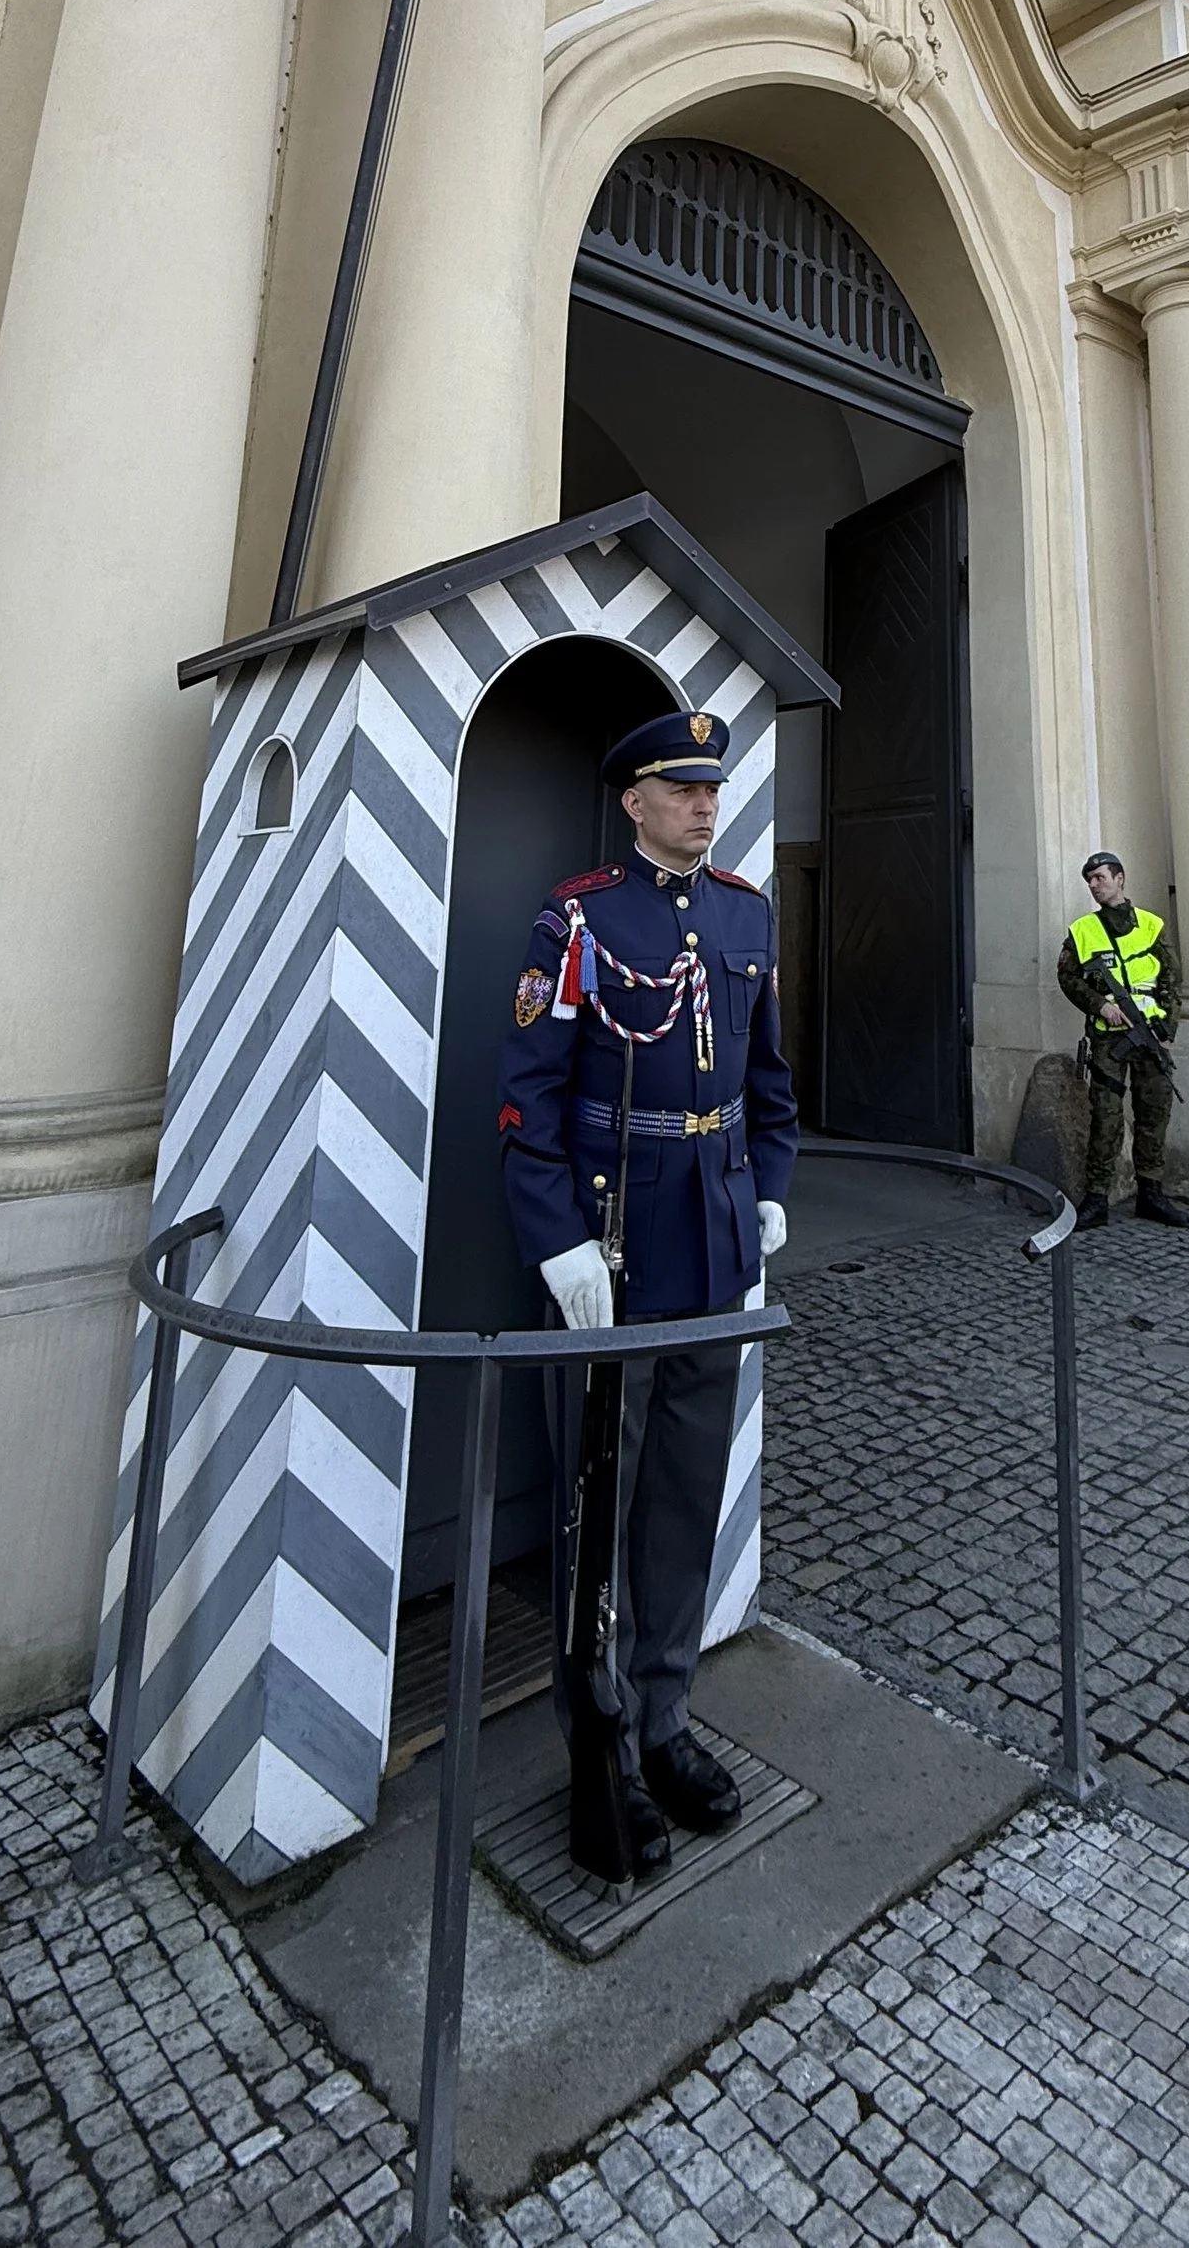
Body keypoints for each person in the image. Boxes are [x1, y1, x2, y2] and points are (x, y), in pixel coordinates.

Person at [496, 707, 797, 1876]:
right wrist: (556, 1238)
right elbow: (527, 1093)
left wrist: (766, 1184)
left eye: (710, 789)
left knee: (683, 1487)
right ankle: (599, 1732)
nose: (703, 806)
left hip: (714, 1232)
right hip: (610, 1245)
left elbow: (768, 1079)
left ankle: (667, 1716)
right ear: (633, 801)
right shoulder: (575, 919)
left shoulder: (745, 913)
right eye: (680, 789)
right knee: (594, 1498)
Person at [1057, 851, 1189, 1228]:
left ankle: (1150, 1192)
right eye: (1090, 881)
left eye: (1100, 878)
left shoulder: (1150, 924)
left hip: (1150, 1036)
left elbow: (1171, 980)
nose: (1094, 886)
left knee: (1154, 1115)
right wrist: (1100, 1006)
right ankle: (1096, 1197)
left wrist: (1167, 1032)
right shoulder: (1082, 930)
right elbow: (1068, 978)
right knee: (1106, 1118)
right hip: (1106, 1040)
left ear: (1120, 878)